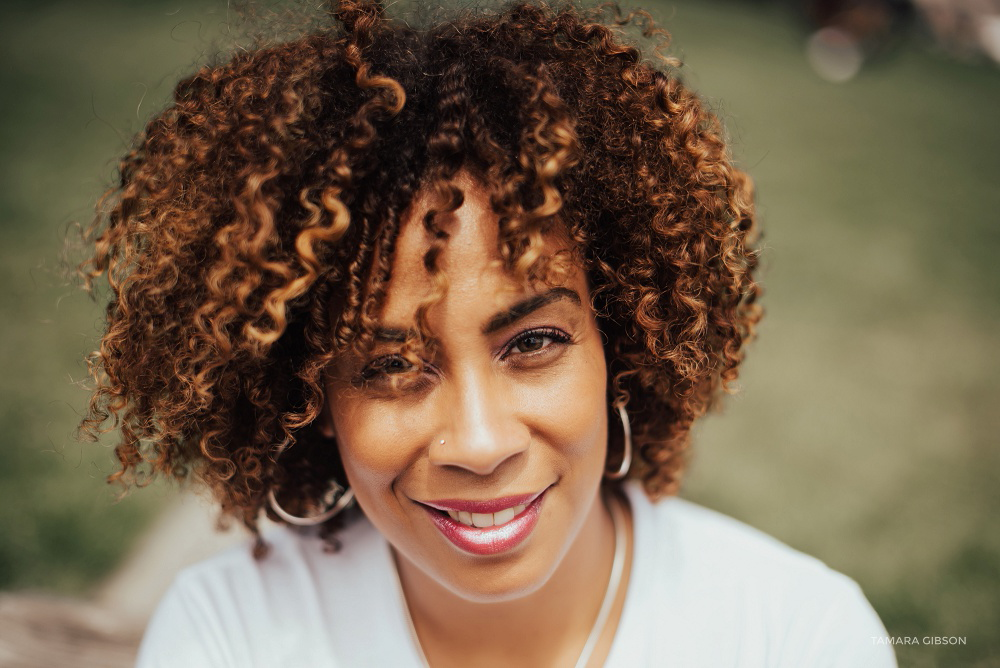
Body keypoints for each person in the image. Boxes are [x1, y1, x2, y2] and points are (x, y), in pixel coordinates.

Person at [79, 1, 896, 665]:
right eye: (392, 363)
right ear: (310, 393)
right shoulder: (230, 636)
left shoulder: (797, 633)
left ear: (617, 340)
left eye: (533, 342)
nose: (479, 441)